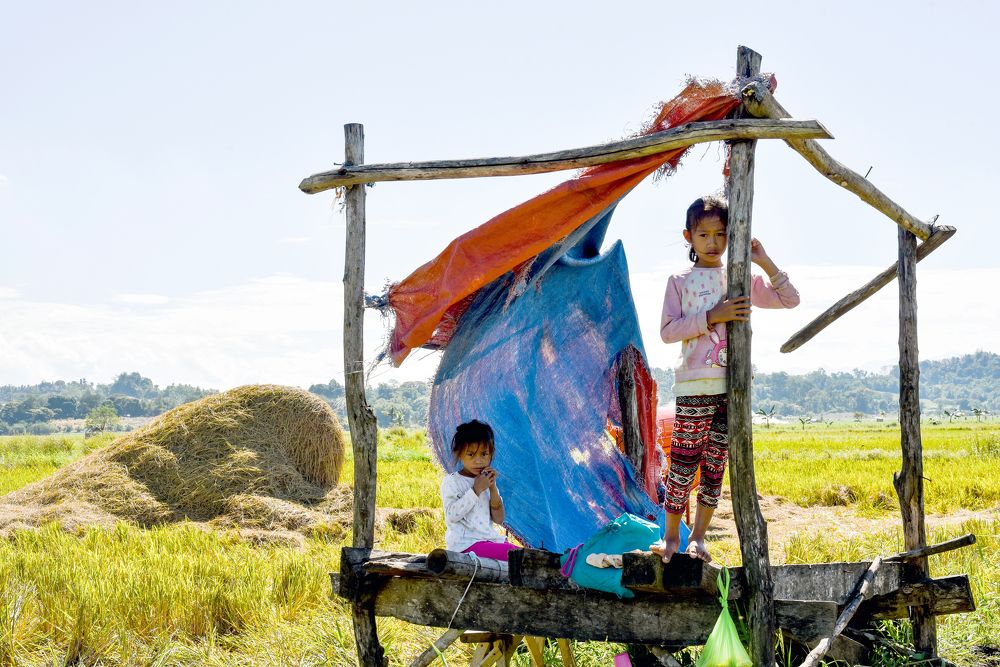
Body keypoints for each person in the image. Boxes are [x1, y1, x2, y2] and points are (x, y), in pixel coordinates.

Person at [650, 196, 800, 563]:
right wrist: (713, 315)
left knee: (715, 465)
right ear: (689, 237)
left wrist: (763, 260)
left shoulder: (739, 278)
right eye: (704, 234)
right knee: (684, 461)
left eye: (720, 234)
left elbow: (790, 300)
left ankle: (698, 537)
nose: (713, 242)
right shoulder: (679, 282)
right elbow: (668, 332)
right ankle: (670, 536)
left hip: (732, 388)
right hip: (695, 385)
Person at [440, 419, 519, 561]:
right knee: (514, 554)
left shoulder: (485, 479)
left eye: (484, 454)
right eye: (471, 454)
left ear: (491, 453)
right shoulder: (452, 481)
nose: (478, 461)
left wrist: (493, 488)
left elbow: (499, 519)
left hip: (488, 541)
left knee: (522, 554)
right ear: (459, 453)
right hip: (465, 545)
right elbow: (452, 515)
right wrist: (476, 490)